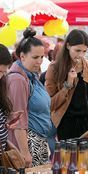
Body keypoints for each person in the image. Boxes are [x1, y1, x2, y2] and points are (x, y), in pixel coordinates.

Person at [45, 29, 88, 140]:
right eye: (77, 50)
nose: (80, 55)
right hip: (68, 124)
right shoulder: (55, 68)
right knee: (72, 157)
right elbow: (50, 104)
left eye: (84, 51)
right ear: (68, 46)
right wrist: (68, 85)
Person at [6, 28, 55, 167]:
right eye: (35, 57)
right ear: (22, 56)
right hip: (27, 144)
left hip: (38, 141)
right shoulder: (18, 80)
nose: (39, 61)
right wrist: (25, 152)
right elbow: (17, 120)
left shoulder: (31, 76)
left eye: (42, 57)